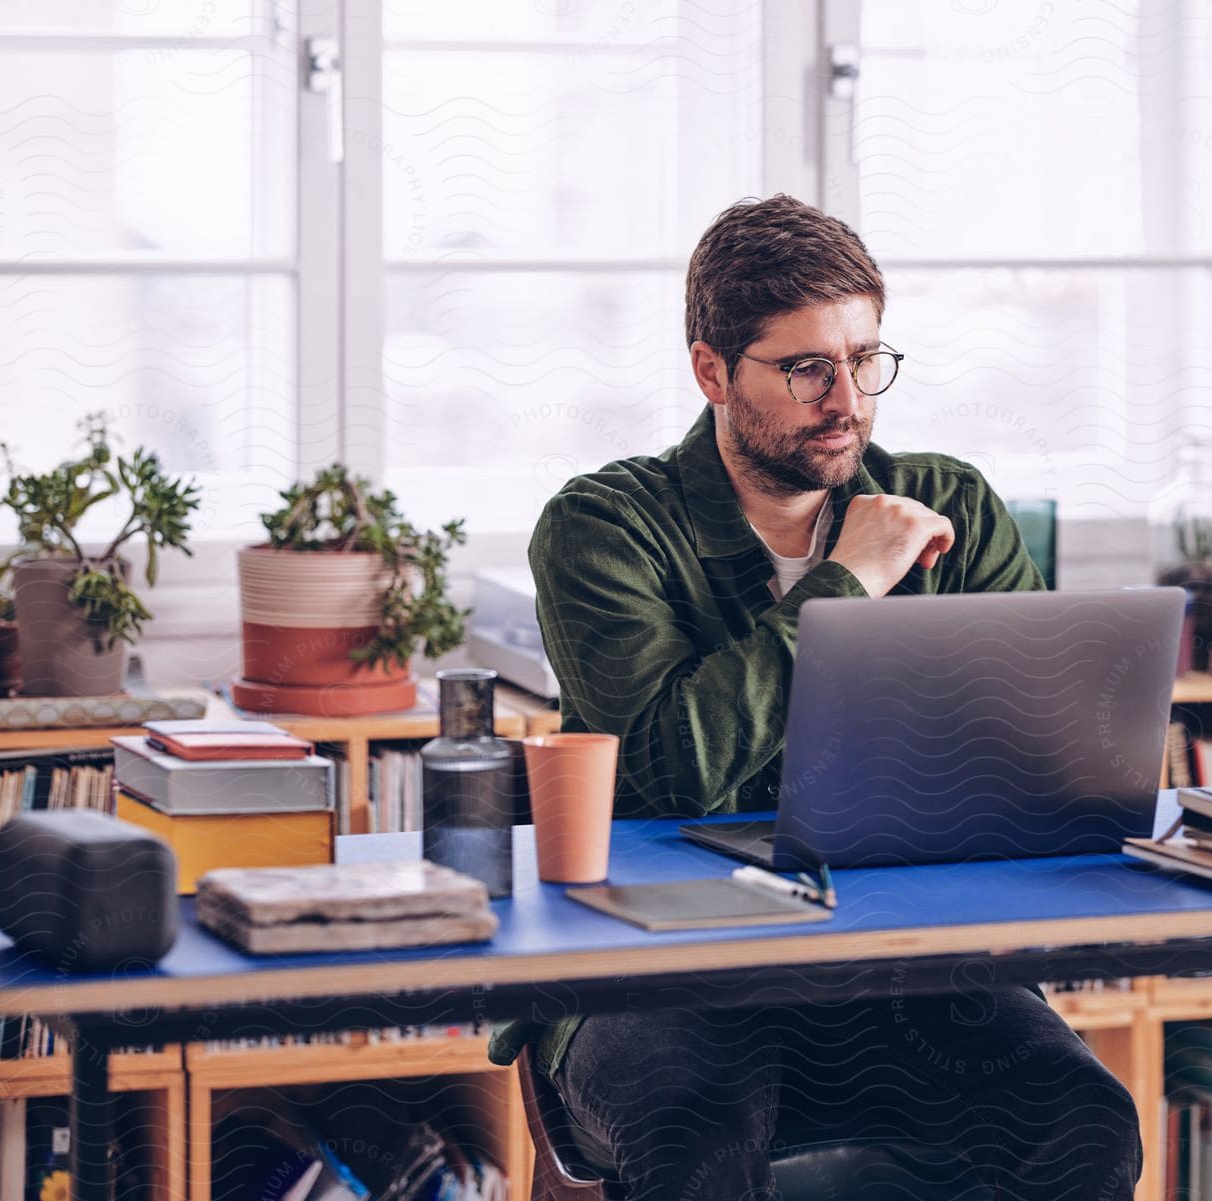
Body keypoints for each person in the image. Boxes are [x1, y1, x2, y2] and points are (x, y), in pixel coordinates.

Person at [489, 195, 1142, 1199]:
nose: (848, 399)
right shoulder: (602, 526)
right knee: (696, 1141)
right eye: (806, 369)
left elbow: (1036, 763)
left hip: (905, 958)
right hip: (663, 966)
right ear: (712, 370)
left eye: (866, 359)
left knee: (1083, 1123)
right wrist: (846, 583)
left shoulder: (952, 505)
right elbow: (666, 770)